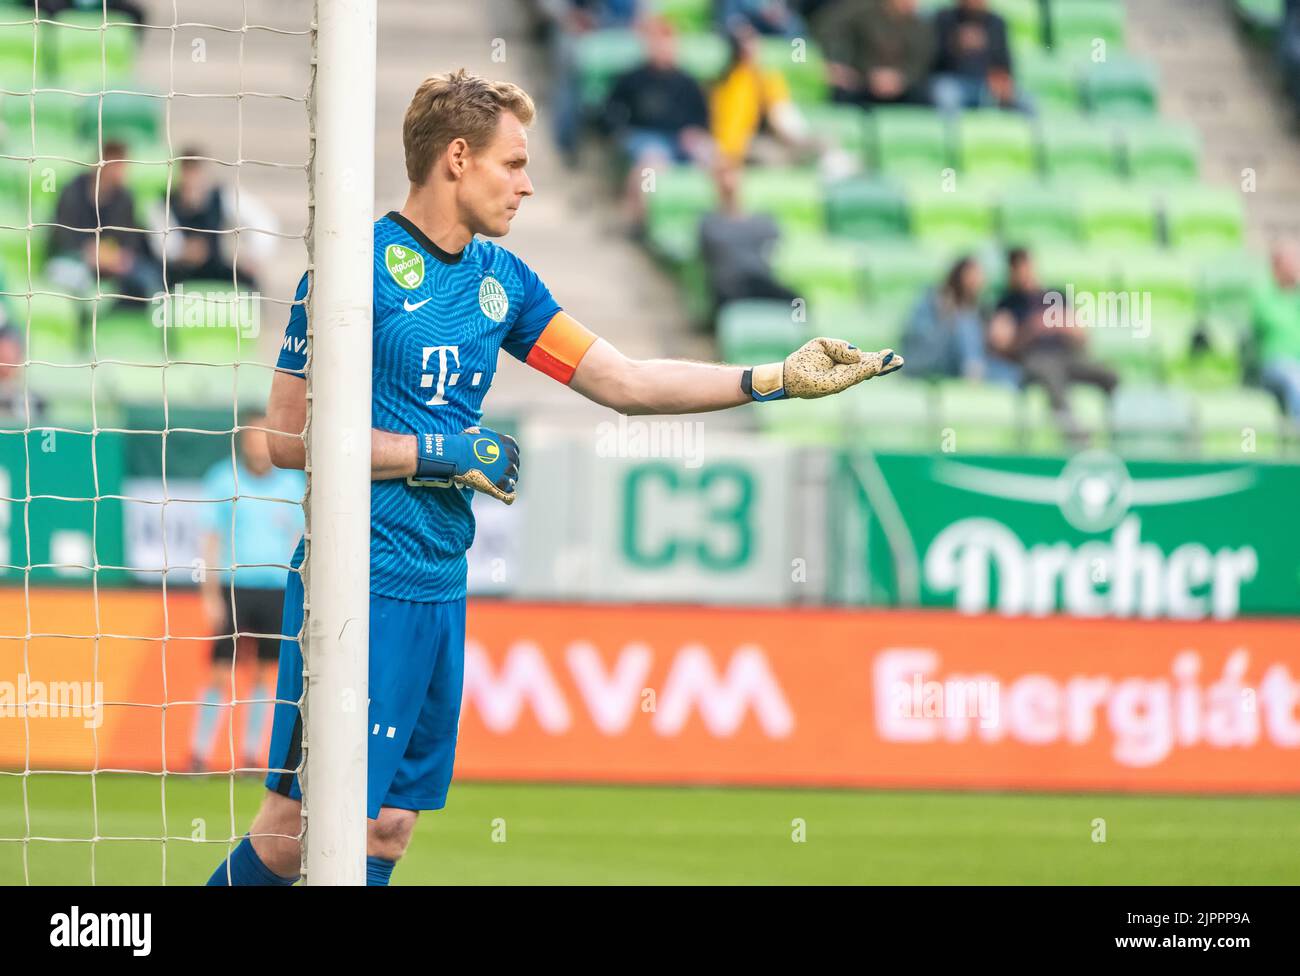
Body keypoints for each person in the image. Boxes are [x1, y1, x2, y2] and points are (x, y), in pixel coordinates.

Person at [206, 68, 903, 887]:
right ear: (457, 158)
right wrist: (442, 455)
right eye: (514, 164)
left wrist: (773, 378)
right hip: (356, 585)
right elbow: (283, 438)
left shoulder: (501, 283)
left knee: (388, 828)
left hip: (439, 583)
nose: (530, 185)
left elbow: (628, 383)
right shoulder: (353, 267)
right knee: (297, 835)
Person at [192, 414, 306, 774]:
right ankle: (199, 753)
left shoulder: (291, 484)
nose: (259, 445)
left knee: (264, 673)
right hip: (233, 587)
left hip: (276, 589)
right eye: (253, 438)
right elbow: (211, 539)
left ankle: (252, 755)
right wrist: (209, 594)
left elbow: (300, 540)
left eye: (265, 437)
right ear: (243, 441)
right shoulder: (222, 479)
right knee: (219, 672)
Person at [989, 247, 1117, 440]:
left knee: (1109, 374)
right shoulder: (1008, 303)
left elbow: (1082, 334)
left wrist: (1061, 325)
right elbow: (1001, 345)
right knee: (1051, 373)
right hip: (1036, 357)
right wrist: (1031, 329)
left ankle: (1122, 431)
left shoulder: (1056, 296)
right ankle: (1073, 433)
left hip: (1066, 354)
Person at [604, 17, 715, 223]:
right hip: (646, 137)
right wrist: (622, 132)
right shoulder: (633, 78)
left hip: (682, 140)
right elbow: (612, 110)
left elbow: (702, 118)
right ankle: (641, 220)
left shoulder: (687, 82)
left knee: (712, 157)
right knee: (651, 167)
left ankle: (711, 219)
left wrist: (695, 133)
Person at [46, 139, 163, 303]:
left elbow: (129, 237)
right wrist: (87, 252)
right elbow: (61, 234)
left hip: (113, 264)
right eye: (118, 165)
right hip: (75, 260)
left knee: (150, 278)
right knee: (75, 280)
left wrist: (120, 256)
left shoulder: (125, 197)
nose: (122, 171)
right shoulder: (72, 191)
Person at [151, 148, 275, 288]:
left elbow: (261, 220)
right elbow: (162, 244)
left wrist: (254, 255)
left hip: (216, 268)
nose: (192, 178)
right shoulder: (164, 203)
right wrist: (183, 251)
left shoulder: (223, 196)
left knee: (248, 281)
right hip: (179, 272)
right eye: (188, 171)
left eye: (196, 172)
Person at [699, 157, 797, 315]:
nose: (727, 181)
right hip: (729, 288)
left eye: (731, 173)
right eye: (721, 175)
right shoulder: (708, 223)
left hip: (759, 281)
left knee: (797, 302)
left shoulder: (763, 219)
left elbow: (778, 244)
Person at [902, 255, 1017, 385]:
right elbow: (918, 338)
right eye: (972, 275)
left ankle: (974, 369)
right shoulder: (934, 300)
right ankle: (973, 369)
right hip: (929, 361)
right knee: (965, 323)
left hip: (959, 365)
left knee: (1012, 375)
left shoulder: (978, 310)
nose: (976, 281)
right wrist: (945, 317)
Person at [711, 22, 815, 165]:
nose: (750, 48)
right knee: (773, 157)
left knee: (822, 143)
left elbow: (782, 112)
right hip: (744, 145)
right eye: (744, 43)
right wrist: (728, 155)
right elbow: (731, 132)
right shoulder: (730, 81)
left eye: (752, 42)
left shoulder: (766, 76)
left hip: (776, 138)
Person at [817, 0, 934, 107]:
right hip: (862, 79)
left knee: (927, 95)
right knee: (842, 92)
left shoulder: (920, 26)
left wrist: (901, 79)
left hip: (902, 85)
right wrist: (837, 62)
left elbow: (921, 62)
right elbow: (828, 28)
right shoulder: (861, 10)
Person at [930, 0, 1027, 113]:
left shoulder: (996, 23)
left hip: (987, 84)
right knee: (946, 94)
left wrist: (1002, 79)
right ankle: (953, 130)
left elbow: (1004, 61)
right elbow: (933, 63)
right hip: (953, 81)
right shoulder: (944, 19)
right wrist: (955, 44)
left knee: (1026, 101)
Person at [1252, 241, 1300, 419]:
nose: (1295, 267)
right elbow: (1265, 323)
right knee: (1297, 379)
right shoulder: (1264, 294)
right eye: (1291, 263)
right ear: (1277, 267)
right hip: (1276, 364)